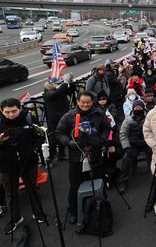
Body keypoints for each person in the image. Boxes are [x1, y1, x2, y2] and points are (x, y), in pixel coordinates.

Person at [0, 98, 46, 234]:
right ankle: (15, 218)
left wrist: (34, 149)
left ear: (20, 109)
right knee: (10, 193)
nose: (11, 114)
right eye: (7, 112)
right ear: (1, 111)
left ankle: (38, 212)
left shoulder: (29, 118)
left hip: (28, 160)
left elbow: (40, 135)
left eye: (14, 111)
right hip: (6, 163)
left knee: (33, 188)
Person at [56, 91, 112, 225]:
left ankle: (101, 206)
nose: (85, 105)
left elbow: (107, 128)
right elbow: (59, 133)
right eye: (83, 102)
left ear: (92, 102)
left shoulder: (99, 114)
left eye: (88, 102)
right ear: (78, 102)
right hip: (76, 158)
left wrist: (102, 140)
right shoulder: (69, 116)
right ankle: (74, 211)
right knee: (75, 185)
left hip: (95, 155)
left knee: (98, 181)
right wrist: (69, 143)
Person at [118, 100, 151, 193]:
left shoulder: (148, 118)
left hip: (147, 143)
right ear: (133, 109)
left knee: (155, 155)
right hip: (133, 145)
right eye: (136, 108)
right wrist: (127, 147)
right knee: (126, 158)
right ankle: (123, 181)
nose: (138, 109)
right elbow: (123, 134)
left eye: (140, 108)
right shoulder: (128, 119)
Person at [43, 74, 73, 161]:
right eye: (57, 83)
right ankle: (50, 158)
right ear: (51, 85)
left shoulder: (58, 90)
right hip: (54, 120)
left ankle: (61, 154)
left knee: (62, 136)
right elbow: (57, 93)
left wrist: (71, 82)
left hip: (62, 117)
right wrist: (65, 83)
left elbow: (71, 90)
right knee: (53, 139)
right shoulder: (48, 93)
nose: (59, 85)